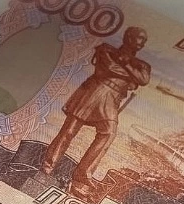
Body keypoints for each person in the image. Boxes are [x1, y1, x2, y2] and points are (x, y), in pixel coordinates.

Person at [42, 26, 151, 194]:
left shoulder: (142, 65)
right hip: (94, 91)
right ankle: (48, 166)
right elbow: (108, 68)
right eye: (140, 38)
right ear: (129, 37)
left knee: (109, 133)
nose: (142, 43)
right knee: (69, 131)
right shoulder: (106, 49)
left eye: (144, 40)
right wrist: (130, 74)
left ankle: (82, 175)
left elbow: (143, 79)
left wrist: (125, 63)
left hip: (112, 98)